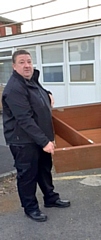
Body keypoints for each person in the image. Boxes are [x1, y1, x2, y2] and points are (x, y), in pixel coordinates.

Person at [2, 49, 70, 222]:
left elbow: (36, 93)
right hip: (23, 141)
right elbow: (24, 119)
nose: (27, 65)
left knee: (44, 170)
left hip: (39, 138)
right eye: (22, 62)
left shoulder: (31, 80)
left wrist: (47, 93)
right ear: (14, 66)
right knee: (27, 175)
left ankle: (50, 198)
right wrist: (44, 141)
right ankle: (30, 208)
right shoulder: (14, 88)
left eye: (29, 61)